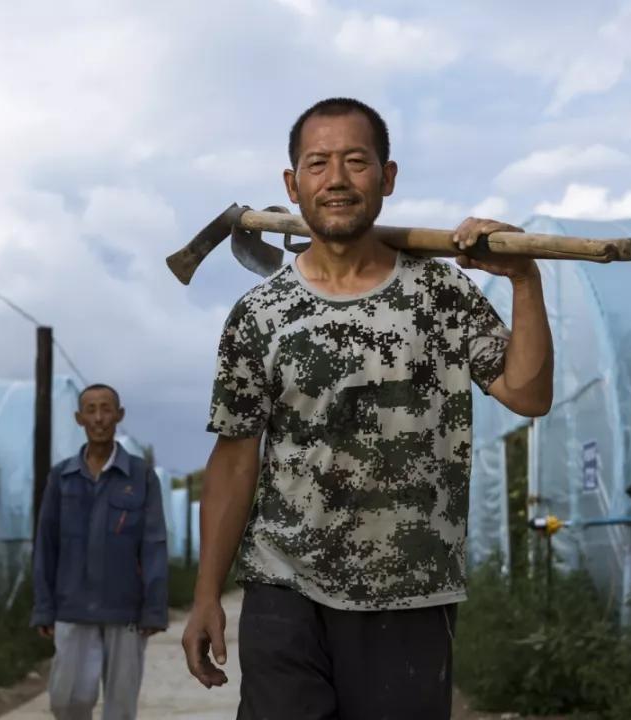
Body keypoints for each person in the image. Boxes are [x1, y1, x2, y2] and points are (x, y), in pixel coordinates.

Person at [182, 97, 553, 719]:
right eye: (318, 163)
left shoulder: (440, 295)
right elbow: (235, 458)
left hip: (409, 594)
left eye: (356, 162)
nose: (336, 180)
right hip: (285, 585)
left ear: (387, 177)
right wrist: (205, 594)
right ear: (291, 184)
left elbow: (528, 393)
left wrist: (524, 279)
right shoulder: (260, 314)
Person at [32, 383, 168, 720]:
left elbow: (154, 544)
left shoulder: (141, 475)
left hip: (126, 612)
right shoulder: (62, 476)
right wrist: (44, 607)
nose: (98, 418)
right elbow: (45, 544)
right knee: (67, 701)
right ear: (79, 418)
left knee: (120, 710)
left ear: (119, 416)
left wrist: (154, 608)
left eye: (106, 409)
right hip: (72, 606)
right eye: (90, 410)